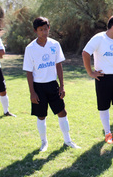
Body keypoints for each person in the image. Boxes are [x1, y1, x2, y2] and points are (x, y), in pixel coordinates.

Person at [23, 17, 80, 151]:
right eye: (40, 30)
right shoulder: (30, 48)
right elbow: (29, 72)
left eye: (46, 29)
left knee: (62, 112)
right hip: (38, 87)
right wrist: (32, 92)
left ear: (49, 28)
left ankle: (68, 140)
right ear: (35, 31)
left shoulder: (55, 44)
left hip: (53, 85)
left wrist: (62, 86)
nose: (44, 32)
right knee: (41, 115)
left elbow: (58, 65)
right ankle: (44, 142)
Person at [82, 15, 113, 144]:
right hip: (103, 78)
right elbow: (85, 53)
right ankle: (107, 133)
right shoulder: (99, 38)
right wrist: (90, 72)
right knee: (104, 107)